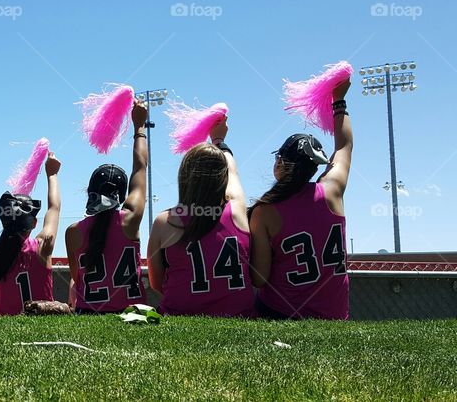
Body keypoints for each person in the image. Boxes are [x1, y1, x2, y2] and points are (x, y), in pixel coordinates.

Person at [250, 81, 352, 320]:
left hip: (280, 312)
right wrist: (339, 100)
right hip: (334, 314)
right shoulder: (332, 190)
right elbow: (345, 146)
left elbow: (259, 277)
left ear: (280, 164)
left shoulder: (265, 210)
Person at [147, 117, 255, 317]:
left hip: (179, 313)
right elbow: (233, 171)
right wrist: (219, 140)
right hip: (240, 315)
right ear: (222, 178)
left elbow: (156, 283)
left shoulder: (164, 221)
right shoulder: (238, 209)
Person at [67, 101, 148, 314]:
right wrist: (139, 127)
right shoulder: (130, 220)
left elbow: (77, 278)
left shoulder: (73, 231)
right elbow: (140, 168)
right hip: (132, 314)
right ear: (122, 196)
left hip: (88, 314)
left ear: (90, 192)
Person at [0, 153, 61, 316]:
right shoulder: (41, 247)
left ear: (4, 221)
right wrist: (52, 174)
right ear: (34, 223)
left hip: (6, 327)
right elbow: (54, 208)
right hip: (42, 322)